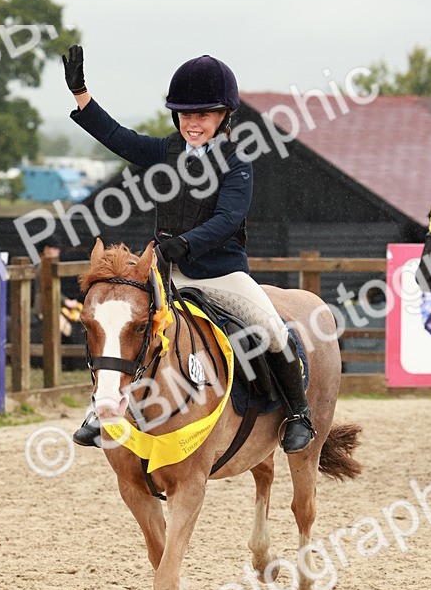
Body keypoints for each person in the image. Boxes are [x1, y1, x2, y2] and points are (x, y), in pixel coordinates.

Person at [62, 44, 315, 452]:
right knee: (122, 325)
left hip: (223, 273)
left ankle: (298, 414)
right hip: (165, 271)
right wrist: (81, 96)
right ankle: (102, 409)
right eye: (185, 115)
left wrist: (184, 244)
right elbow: (118, 137)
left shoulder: (237, 161)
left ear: (223, 117)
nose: (192, 124)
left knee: (272, 329)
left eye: (203, 115)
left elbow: (228, 219)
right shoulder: (168, 151)